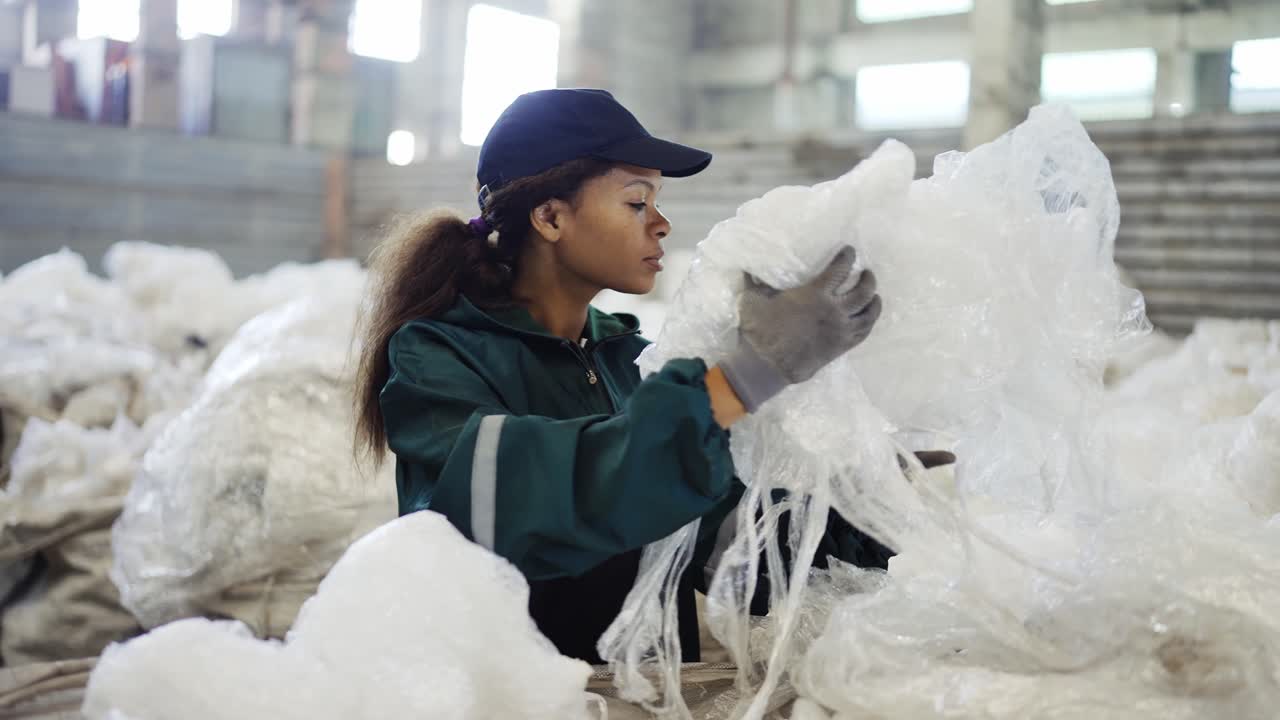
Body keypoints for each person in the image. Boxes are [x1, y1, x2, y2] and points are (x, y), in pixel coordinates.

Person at [353, 89, 948, 664]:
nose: (660, 224)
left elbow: (724, 542)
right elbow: (534, 500)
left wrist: (869, 507)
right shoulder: (439, 357)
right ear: (551, 217)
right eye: (637, 202)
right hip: (510, 702)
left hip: (636, 701)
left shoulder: (629, 360)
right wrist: (747, 375)